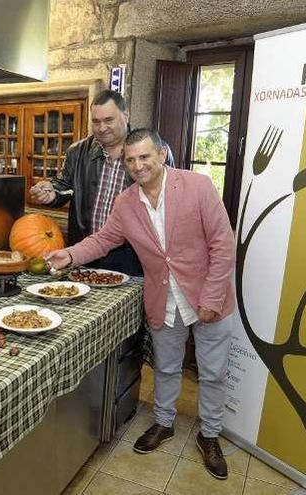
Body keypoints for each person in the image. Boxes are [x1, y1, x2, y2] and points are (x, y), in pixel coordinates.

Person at [47, 128, 236, 480]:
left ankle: (210, 434)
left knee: (212, 372)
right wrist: (69, 255)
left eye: (145, 156)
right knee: (165, 366)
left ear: (162, 155)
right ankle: (164, 423)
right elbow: (104, 239)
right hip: (163, 297)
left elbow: (224, 245)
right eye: (131, 159)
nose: (138, 165)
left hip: (208, 294)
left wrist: (211, 297)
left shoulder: (198, 187)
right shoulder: (126, 203)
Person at [28, 90, 174, 276]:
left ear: (126, 115)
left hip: (134, 256)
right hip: (86, 251)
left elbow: (167, 200)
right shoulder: (77, 151)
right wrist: (51, 194)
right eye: (96, 121)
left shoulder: (153, 151)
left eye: (108, 120)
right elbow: (63, 187)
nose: (102, 128)